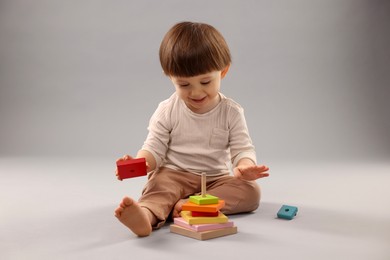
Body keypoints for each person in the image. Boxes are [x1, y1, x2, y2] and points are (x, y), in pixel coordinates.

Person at [114, 21, 269, 237]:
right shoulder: (167, 109)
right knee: (159, 188)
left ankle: (186, 206)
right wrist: (139, 164)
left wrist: (244, 166)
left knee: (251, 192)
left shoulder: (231, 112)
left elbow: (242, 147)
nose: (196, 92)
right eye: (184, 85)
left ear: (223, 72)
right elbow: (154, 146)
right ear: (170, 77)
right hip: (174, 173)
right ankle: (146, 215)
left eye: (205, 82)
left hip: (215, 179)